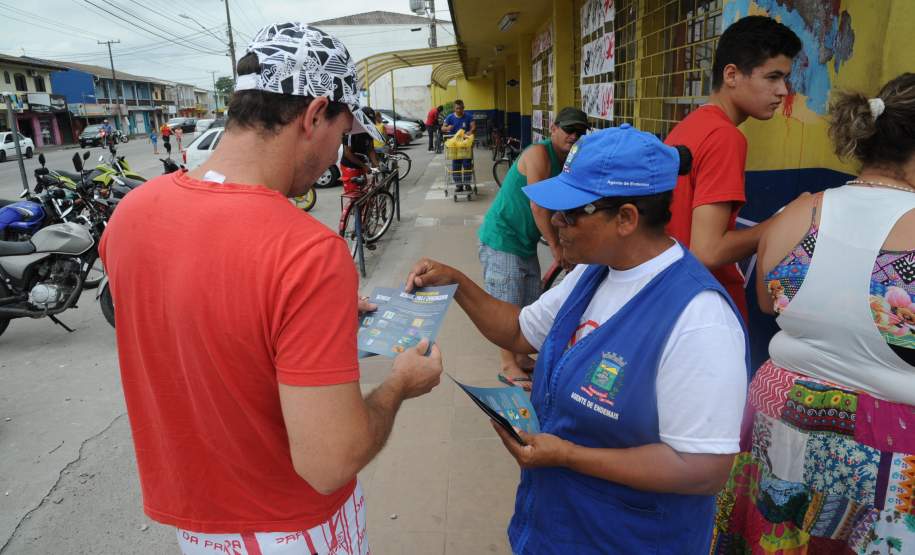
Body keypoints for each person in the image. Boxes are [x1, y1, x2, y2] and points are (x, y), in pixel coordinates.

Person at [99, 22, 440, 555]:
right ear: (312, 115)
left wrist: (300, 321)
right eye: (342, 133)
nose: (338, 156)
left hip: (197, 527)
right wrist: (399, 384)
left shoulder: (131, 214)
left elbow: (187, 321)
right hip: (293, 528)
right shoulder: (307, 253)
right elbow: (330, 461)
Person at [407, 125, 749, 554]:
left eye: (572, 212)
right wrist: (456, 282)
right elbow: (517, 330)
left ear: (626, 218)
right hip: (557, 526)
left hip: (628, 539)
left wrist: (567, 455)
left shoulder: (699, 320)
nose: (556, 222)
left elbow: (704, 470)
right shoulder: (594, 272)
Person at [711, 73, 915, 554]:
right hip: (887, 445)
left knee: (778, 539)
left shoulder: (797, 213)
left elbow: (767, 302)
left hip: (780, 418)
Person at [665, 16, 802, 321]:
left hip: (673, 293)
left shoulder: (689, 126)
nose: (783, 91)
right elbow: (708, 251)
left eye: (786, 79)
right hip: (703, 303)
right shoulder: (725, 137)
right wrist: (787, 221)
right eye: (772, 77)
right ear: (731, 75)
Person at [477, 107, 588, 389]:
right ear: (553, 129)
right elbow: (538, 204)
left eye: (579, 132)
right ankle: (507, 363)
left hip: (524, 240)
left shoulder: (570, 163)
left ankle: (521, 355)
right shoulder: (539, 154)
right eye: (568, 130)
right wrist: (556, 247)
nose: (573, 136)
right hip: (503, 237)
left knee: (528, 301)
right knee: (507, 301)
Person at [341, 106, 381, 193]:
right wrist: (364, 166)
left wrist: (376, 164)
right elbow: (348, 153)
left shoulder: (369, 130)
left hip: (363, 165)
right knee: (354, 195)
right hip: (349, 166)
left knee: (364, 192)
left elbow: (370, 149)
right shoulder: (350, 131)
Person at [442, 99, 476, 190]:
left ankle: (467, 183)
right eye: (457, 108)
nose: (459, 110)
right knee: (456, 165)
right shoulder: (450, 117)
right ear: (454, 108)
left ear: (463, 108)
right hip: (455, 146)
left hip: (465, 145)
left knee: (467, 164)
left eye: (461, 108)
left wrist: (470, 131)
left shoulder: (468, 116)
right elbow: (443, 128)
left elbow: (473, 126)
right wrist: (447, 128)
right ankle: (459, 185)